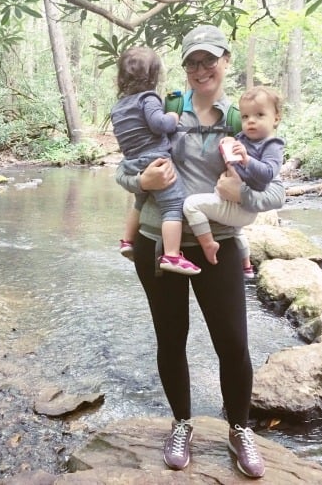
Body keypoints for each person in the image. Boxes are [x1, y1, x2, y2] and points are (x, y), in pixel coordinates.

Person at [115, 25, 285, 479]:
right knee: (171, 340)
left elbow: (276, 192)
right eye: (192, 62)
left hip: (219, 248)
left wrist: (244, 196)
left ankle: (239, 430)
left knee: (233, 344)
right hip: (159, 245)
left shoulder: (245, 117)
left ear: (226, 61)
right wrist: (141, 183)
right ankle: (182, 424)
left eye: (209, 60)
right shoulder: (163, 109)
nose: (200, 70)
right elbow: (125, 168)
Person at [111, 46, 201, 276]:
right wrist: (172, 116)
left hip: (132, 160)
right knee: (173, 204)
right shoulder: (148, 98)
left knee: (139, 201)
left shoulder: (119, 107)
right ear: (154, 76)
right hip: (156, 159)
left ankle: (127, 241)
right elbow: (158, 125)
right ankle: (171, 255)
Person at [183, 86, 285, 277]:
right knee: (237, 232)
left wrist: (247, 162)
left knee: (190, 205)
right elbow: (232, 154)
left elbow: (268, 174)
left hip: (242, 206)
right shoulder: (245, 138)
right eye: (245, 117)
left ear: (276, 118)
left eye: (260, 115)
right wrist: (226, 144)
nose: (251, 121)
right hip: (233, 204)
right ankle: (247, 266)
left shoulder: (272, 145)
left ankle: (208, 244)